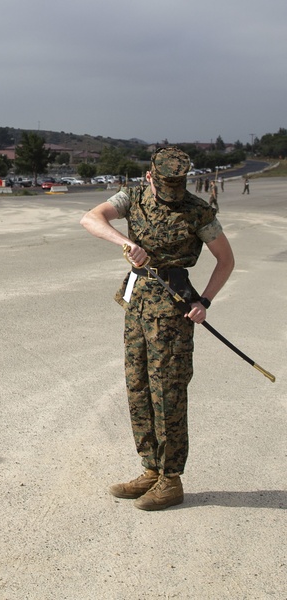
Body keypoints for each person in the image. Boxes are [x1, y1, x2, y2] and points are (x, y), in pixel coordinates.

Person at [79, 147, 234, 511]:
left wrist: (204, 302)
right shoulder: (132, 197)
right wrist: (126, 243)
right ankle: (151, 468)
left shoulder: (197, 211)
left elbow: (226, 261)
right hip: (137, 304)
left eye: (177, 190)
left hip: (174, 310)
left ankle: (171, 478)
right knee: (138, 387)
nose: (171, 197)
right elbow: (90, 218)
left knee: (169, 391)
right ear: (150, 176)